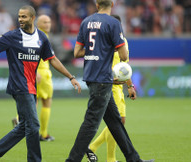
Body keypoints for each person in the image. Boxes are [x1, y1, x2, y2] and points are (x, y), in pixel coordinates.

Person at [0, 5, 81, 162]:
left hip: (31, 87)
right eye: (19, 16)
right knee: (34, 126)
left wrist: (70, 76)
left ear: (32, 18)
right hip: (20, 86)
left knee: (24, 126)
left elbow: (52, 59)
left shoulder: (41, 38)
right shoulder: (12, 36)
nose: (20, 19)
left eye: (24, 17)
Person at [65, 1, 154, 162]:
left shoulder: (86, 22)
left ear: (96, 3)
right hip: (102, 79)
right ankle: (72, 160)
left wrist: (96, 49)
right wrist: (106, 48)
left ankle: (134, 159)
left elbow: (77, 52)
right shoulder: (113, 23)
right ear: (112, 3)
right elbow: (124, 56)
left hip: (92, 76)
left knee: (115, 122)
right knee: (91, 122)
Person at [87, 14, 137, 162]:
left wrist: (130, 86)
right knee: (118, 121)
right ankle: (102, 153)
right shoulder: (103, 42)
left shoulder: (123, 42)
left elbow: (124, 68)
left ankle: (102, 153)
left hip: (118, 87)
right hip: (108, 85)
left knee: (118, 121)